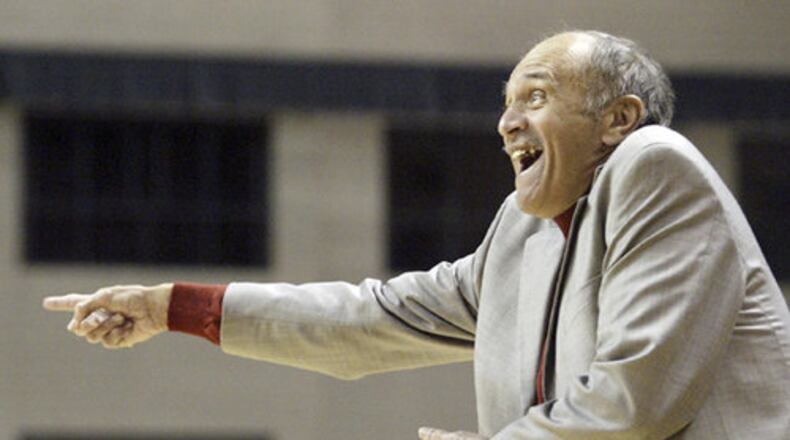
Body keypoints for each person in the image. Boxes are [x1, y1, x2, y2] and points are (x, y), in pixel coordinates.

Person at [43, 30, 790, 439]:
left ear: (617, 119)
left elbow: (637, 404)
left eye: (535, 97)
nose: (507, 124)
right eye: (506, 104)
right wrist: (173, 306)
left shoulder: (654, 165)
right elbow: (371, 320)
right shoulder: (521, 234)